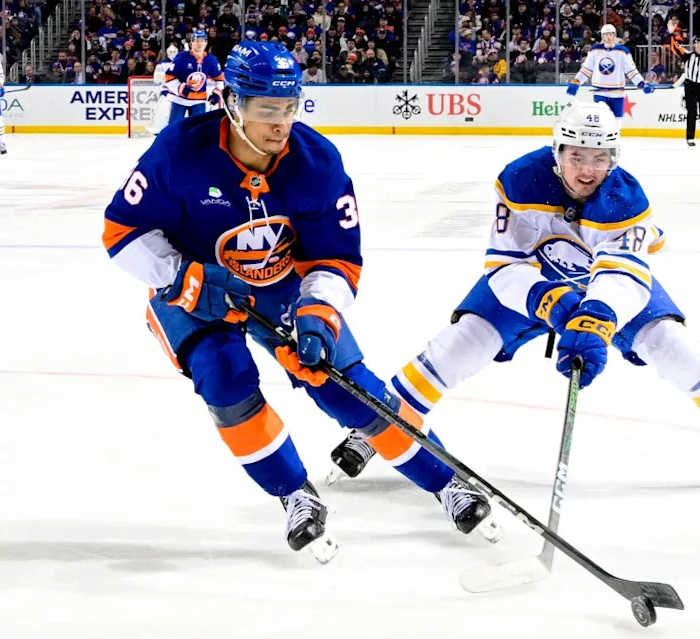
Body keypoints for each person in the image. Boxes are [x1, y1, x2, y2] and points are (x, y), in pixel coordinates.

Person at [102, 41, 497, 563]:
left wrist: (317, 316)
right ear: (232, 103)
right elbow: (121, 231)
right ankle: (294, 494)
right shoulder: (179, 152)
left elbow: (337, 259)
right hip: (193, 286)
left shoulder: (316, 163)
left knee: (348, 388)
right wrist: (184, 276)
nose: (281, 122)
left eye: (289, 108)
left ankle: (447, 481)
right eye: (267, 109)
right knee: (224, 378)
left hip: (283, 282)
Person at [326, 101, 700, 489]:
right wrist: (549, 302)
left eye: (600, 158)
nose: (587, 169)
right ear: (557, 151)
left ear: (613, 159)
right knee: (459, 346)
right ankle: (379, 428)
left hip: (604, 285)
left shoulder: (627, 200)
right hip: (528, 281)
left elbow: (625, 277)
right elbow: (502, 266)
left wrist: (595, 317)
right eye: (577, 155)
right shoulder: (517, 182)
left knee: (675, 349)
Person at [566, 24, 654, 122]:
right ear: (602, 36)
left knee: (616, 122)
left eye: (611, 34)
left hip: (618, 93)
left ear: (614, 36)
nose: (609, 37)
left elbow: (631, 71)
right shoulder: (595, 50)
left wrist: (642, 83)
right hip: (600, 92)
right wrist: (576, 81)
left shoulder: (623, 51)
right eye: (606, 35)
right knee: (601, 120)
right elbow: (586, 70)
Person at [163, 30, 223, 124]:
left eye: (202, 41)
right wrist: (180, 88)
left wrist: (216, 92)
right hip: (179, 99)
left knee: (198, 130)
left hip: (199, 100)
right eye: (197, 41)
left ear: (206, 43)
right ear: (191, 43)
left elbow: (220, 79)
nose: (199, 43)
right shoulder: (181, 57)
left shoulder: (211, 60)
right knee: (174, 128)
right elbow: (168, 76)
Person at [671, 35, 700, 148]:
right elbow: (675, 47)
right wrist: (672, 35)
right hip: (691, 86)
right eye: (696, 43)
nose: (698, 45)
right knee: (691, 112)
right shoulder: (688, 55)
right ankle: (690, 137)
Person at [147, 43, 179, 135]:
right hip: (167, 91)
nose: (172, 53)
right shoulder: (162, 65)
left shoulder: (181, 63)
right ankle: (158, 128)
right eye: (171, 52)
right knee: (162, 110)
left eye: (174, 52)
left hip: (177, 92)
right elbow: (157, 79)